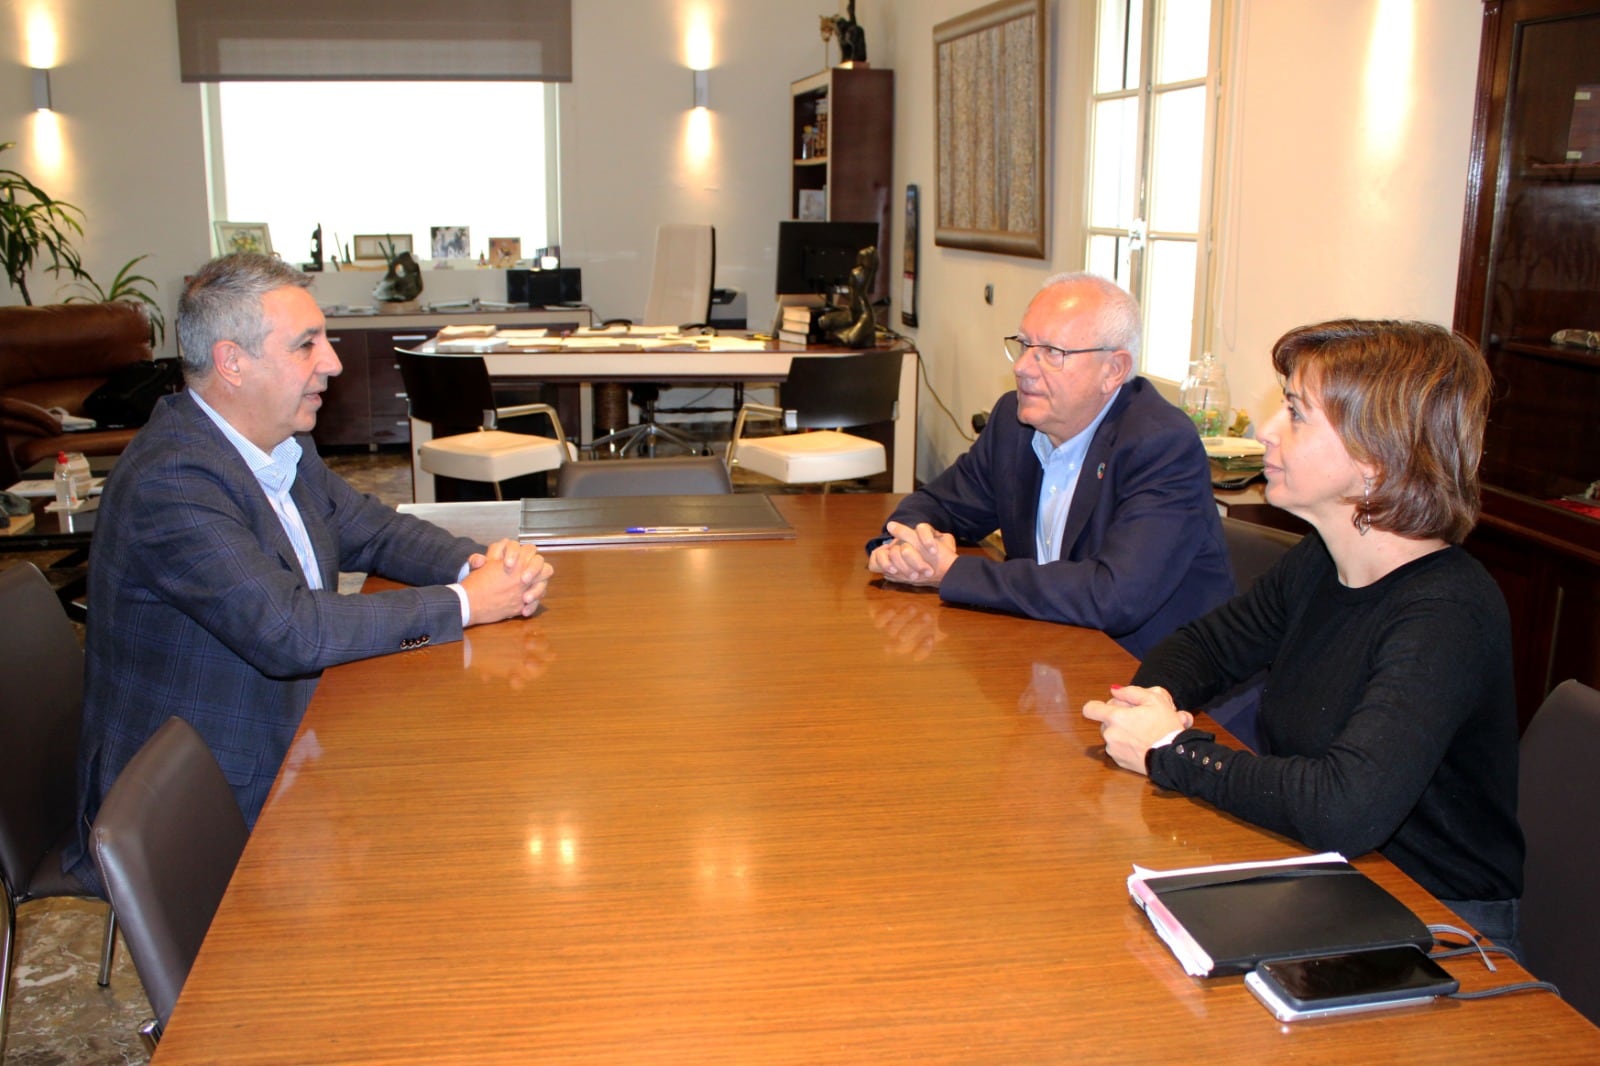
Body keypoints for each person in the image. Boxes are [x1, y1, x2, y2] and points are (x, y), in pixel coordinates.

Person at [65, 253, 554, 892]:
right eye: (306, 345)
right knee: (449, 842)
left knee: (476, 788)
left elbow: (371, 530)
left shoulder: (279, 443)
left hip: (288, 729)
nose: (333, 362)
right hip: (204, 789)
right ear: (232, 362)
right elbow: (291, 633)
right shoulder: (173, 479)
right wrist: (464, 602)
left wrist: (478, 563)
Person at [1082, 319, 1523, 950]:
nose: (1266, 430)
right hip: (1336, 882)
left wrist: (1172, 752)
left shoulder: (1449, 610)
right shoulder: (1322, 560)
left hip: (1438, 925)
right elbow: (1201, 649)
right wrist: (1144, 706)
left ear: (1377, 455)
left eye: (1295, 413)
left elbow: (1345, 808)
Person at [866, 273, 1233, 657]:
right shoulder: (1015, 421)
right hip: (1050, 653)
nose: (1023, 366)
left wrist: (951, 571)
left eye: (1052, 352)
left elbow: (1113, 596)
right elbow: (940, 503)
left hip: (1153, 679)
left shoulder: (1160, 445)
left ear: (1113, 370)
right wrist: (907, 545)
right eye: (1024, 344)